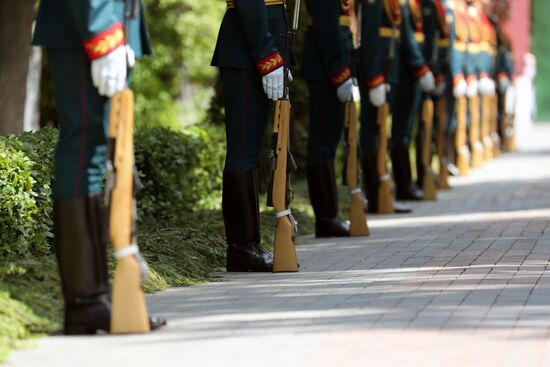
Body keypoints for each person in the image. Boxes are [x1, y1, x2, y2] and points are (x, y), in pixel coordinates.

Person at [32, 0, 165, 334]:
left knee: (100, 154)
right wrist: (103, 30)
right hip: (91, 25)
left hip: (110, 24)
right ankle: (85, 301)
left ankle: (95, 297)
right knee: (85, 153)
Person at [211, 0, 289, 271]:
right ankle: (241, 247)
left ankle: (248, 245)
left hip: (258, 47)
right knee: (243, 152)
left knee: (250, 151)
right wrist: (268, 56)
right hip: (248, 51)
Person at [358, 0, 434, 213]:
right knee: (371, 134)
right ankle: (373, 195)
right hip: (378, 71)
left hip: (388, 70)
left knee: (379, 134)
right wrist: (374, 77)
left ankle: (381, 193)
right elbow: (370, 35)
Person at [302, 0, 354, 237]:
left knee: (328, 144)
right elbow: (326, 25)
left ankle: (330, 215)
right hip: (326, 69)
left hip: (332, 66)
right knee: (322, 144)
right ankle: (326, 217)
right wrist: (339, 72)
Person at [391, 0, 436, 202]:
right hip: (405, 72)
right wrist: (420, 66)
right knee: (401, 130)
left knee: (407, 129)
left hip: (413, 71)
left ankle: (406, 183)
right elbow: (407, 37)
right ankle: (402, 185)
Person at [415, 0, 450, 188]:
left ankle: (430, 171)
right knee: (424, 127)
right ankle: (422, 175)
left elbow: (441, 42)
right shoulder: (425, 4)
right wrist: (430, 71)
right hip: (427, 72)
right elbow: (427, 42)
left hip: (436, 73)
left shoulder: (436, 4)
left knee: (434, 126)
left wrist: (440, 73)